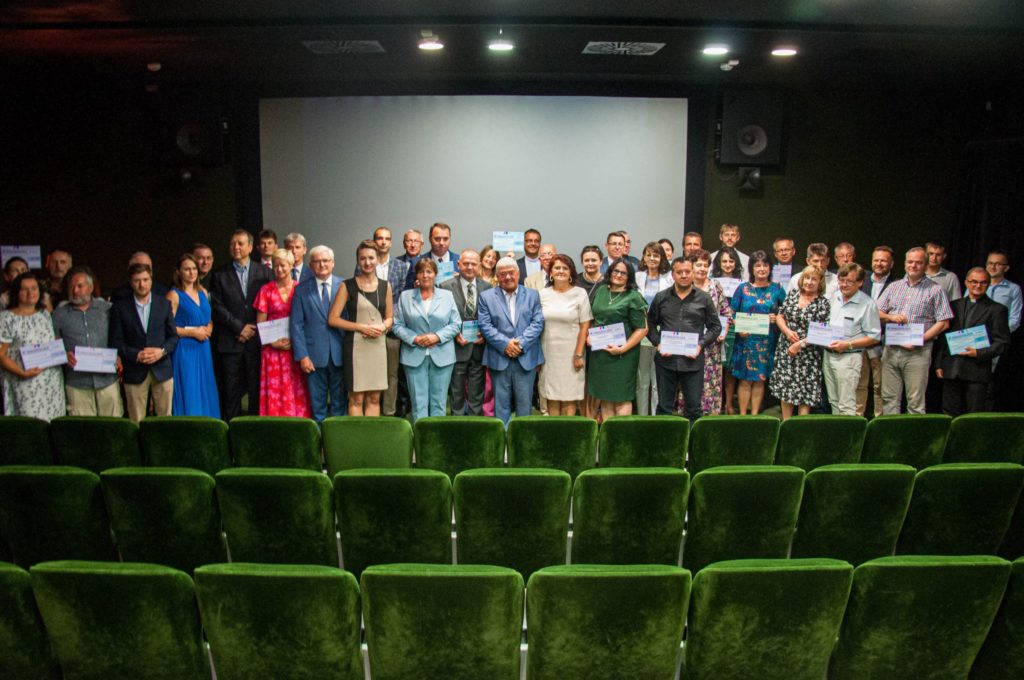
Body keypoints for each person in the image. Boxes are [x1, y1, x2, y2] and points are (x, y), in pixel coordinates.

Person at [877, 247, 953, 414]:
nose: (913, 266)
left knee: (915, 402)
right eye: (910, 262)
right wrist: (891, 317)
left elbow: (944, 322)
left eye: (918, 263)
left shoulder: (935, 289)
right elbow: (876, 312)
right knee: (889, 399)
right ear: (905, 264)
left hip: (918, 352)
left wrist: (919, 339)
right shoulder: (894, 287)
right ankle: (891, 431)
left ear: (926, 265)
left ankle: (914, 432)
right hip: (891, 350)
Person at [648, 257, 721, 423]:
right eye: (679, 272)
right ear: (673, 274)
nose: (683, 275)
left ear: (693, 273)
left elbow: (715, 327)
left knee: (694, 409)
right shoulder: (661, 297)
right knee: (664, 407)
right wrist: (658, 342)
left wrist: (701, 345)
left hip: (692, 361)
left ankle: (692, 440)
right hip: (666, 361)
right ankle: (665, 439)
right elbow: (650, 324)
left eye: (687, 271)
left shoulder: (704, 298)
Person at [210, 229, 273, 420]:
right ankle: (232, 430)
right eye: (232, 244)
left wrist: (253, 327)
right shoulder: (219, 274)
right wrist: (239, 327)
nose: (236, 247)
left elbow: (270, 304)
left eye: (240, 243)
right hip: (231, 341)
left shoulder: (265, 272)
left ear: (250, 247)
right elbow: (217, 307)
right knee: (231, 391)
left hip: (256, 341)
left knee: (256, 390)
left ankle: (253, 429)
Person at [478, 257, 545, 426]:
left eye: (511, 273)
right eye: (502, 274)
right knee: (501, 406)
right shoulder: (486, 297)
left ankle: (522, 438)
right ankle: (503, 438)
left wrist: (520, 344)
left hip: (526, 357)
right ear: (497, 276)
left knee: (525, 405)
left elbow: (537, 323)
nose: (507, 277)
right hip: (499, 357)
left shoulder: (532, 295)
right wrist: (506, 344)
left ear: (518, 273)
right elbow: (485, 325)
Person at [329, 240, 393, 416]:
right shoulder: (347, 286)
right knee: (356, 399)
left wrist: (383, 326)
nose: (367, 262)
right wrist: (361, 327)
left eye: (371, 258)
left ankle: (371, 434)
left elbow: (390, 317)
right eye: (363, 258)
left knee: (374, 398)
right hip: (355, 347)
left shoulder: (385, 286)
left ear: (377, 259)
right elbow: (333, 319)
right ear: (357, 260)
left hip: (378, 346)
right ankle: (356, 434)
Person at [392, 259, 462, 422]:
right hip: (413, 355)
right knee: (418, 404)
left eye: (429, 271)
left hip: (442, 356)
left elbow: (456, 324)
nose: (425, 275)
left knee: (439, 404)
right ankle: (420, 437)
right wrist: (414, 338)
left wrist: (436, 337)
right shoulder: (406, 297)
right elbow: (397, 325)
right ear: (416, 275)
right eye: (421, 272)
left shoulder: (447, 296)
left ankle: (437, 436)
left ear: (435, 274)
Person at [935, 267, 1010, 416]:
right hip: (951, 368)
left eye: (983, 282)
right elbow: (944, 337)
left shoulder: (997, 309)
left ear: (988, 284)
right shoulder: (953, 305)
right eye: (974, 282)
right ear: (966, 283)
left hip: (977, 370)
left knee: (974, 416)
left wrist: (979, 353)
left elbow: (1002, 343)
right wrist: (939, 363)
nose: (978, 285)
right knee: (949, 413)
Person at [51, 266, 123, 417]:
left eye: (79, 286)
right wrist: (64, 354)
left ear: (90, 288)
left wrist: (119, 356)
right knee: (83, 428)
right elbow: (52, 344)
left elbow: (120, 336)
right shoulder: (59, 315)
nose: (75, 291)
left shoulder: (108, 309)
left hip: (107, 380)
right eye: (71, 287)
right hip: (77, 383)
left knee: (113, 426)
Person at [110, 263, 178, 422]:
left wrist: (161, 351)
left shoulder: (163, 304)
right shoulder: (120, 307)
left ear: (151, 280)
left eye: (146, 280)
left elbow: (173, 337)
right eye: (137, 280)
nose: (142, 284)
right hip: (134, 370)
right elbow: (116, 341)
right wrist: (136, 355)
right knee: (136, 420)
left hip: (162, 368)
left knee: (165, 420)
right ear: (130, 282)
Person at [291, 245, 346, 424]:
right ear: (310, 265)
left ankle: (337, 438)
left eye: (325, 261)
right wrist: (302, 356)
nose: (322, 265)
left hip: (340, 353)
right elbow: (296, 325)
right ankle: (319, 439)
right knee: (317, 406)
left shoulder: (344, 286)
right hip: (313, 356)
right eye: (317, 261)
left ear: (333, 263)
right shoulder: (301, 290)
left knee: (339, 403)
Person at [587, 257, 648, 418]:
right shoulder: (601, 291)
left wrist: (622, 349)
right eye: (616, 271)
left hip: (623, 356)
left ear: (629, 276)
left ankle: (621, 432)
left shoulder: (634, 297)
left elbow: (642, 329)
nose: (619, 275)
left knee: (621, 398)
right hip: (600, 353)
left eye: (624, 273)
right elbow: (595, 318)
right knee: (606, 396)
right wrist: (589, 336)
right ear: (610, 271)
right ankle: (608, 432)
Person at [0, 272, 65, 420]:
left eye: (34, 288)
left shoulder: (45, 315)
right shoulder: (6, 318)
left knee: (53, 424)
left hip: (51, 381)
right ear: (16, 292)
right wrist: (21, 373)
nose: (30, 293)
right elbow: (1, 354)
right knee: (30, 426)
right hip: (24, 382)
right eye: (25, 289)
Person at [253, 249, 311, 417]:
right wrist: (273, 343)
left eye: (283, 265)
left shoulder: (300, 289)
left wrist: (297, 342)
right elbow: (260, 323)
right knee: (275, 389)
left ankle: (299, 424)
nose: (279, 269)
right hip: (272, 350)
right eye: (275, 266)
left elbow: (307, 320)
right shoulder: (266, 290)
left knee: (297, 388)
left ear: (291, 265)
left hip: (295, 349)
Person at [770, 265, 831, 419]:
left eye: (814, 279)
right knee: (786, 390)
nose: (809, 282)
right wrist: (787, 332)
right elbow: (780, 316)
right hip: (786, 349)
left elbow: (822, 332)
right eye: (807, 278)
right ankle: (786, 423)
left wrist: (799, 344)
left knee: (805, 393)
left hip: (808, 354)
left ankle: (800, 427)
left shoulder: (822, 303)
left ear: (820, 282)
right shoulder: (792, 295)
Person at [729, 250, 786, 415]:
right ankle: (742, 415)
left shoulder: (777, 289)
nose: (762, 269)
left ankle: (754, 415)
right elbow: (732, 313)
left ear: (770, 268)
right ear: (752, 269)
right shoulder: (742, 289)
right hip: (745, 341)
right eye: (757, 266)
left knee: (760, 379)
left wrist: (777, 317)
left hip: (767, 342)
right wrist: (739, 328)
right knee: (745, 380)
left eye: (765, 265)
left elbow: (786, 312)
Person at [822, 263, 881, 416]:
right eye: (841, 280)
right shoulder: (833, 297)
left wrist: (848, 344)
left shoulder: (867, 304)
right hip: (828, 355)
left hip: (849, 357)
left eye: (849, 281)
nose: (844, 284)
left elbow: (874, 337)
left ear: (860, 282)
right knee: (833, 401)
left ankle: (848, 432)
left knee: (846, 405)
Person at [538, 254, 593, 416]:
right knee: (552, 396)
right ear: (550, 272)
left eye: (565, 268)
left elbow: (585, 326)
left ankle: (568, 430)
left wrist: (578, 354)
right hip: (549, 353)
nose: (561, 271)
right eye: (557, 268)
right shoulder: (542, 294)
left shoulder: (580, 293)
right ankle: (554, 430)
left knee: (570, 397)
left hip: (572, 353)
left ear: (571, 273)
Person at [166, 253, 219, 418]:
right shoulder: (174, 295)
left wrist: (210, 327)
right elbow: (167, 328)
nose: (191, 273)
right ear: (178, 272)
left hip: (203, 348)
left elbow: (209, 318)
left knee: (205, 389)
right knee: (190, 390)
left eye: (194, 269)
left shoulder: (202, 291)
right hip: (185, 349)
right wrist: (193, 332)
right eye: (187, 269)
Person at [367, 226, 411, 417]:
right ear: (374, 241)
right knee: (372, 372)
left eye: (386, 239)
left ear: (391, 242)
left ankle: (389, 412)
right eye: (379, 238)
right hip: (369, 328)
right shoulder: (365, 265)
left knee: (392, 374)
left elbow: (401, 297)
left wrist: (388, 318)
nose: (383, 242)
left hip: (392, 329)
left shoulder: (401, 267)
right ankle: (373, 411)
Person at [441, 249, 491, 416]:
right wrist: (455, 334)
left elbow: (491, 316)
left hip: (479, 347)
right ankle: (458, 422)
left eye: (473, 264)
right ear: (459, 264)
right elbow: (442, 317)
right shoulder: (446, 287)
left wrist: (485, 335)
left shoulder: (488, 288)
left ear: (479, 266)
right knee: (456, 392)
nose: (470, 267)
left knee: (477, 392)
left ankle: (474, 422)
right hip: (457, 347)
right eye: (466, 263)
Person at [685, 249, 732, 416]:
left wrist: (723, 332)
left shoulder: (715, 286)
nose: (702, 268)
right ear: (691, 266)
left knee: (711, 380)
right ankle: (689, 413)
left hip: (712, 343)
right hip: (690, 342)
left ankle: (709, 413)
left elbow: (726, 312)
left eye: (705, 265)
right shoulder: (685, 285)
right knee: (690, 377)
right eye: (698, 265)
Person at [857, 246, 896, 417]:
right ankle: (857, 419)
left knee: (881, 385)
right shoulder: (861, 281)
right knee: (860, 383)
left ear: (891, 264)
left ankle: (879, 419)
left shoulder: (897, 284)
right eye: (876, 260)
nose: (879, 263)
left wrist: (885, 317)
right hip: (860, 340)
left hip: (883, 342)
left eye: (883, 261)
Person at [635, 241, 673, 415]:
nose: (652, 258)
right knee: (642, 380)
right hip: (640, 331)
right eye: (648, 255)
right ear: (643, 257)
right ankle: (642, 416)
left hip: (661, 332)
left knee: (658, 380)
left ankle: (655, 417)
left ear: (662, 258)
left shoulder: (669, 279)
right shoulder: (637, 277)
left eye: (656, 255)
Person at [712, 246, 744, 413]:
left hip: (734, 327)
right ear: (718, 262)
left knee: (730, 368)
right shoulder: (711, 281)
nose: (728, 264)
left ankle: (729, 404)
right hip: (714, 327)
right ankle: (716, 402)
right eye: (724, 261)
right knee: (716, 367)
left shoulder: (742, 283)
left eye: (731, 261)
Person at [986, 250, 1022, 334]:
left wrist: (998, 333)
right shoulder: (975, 285)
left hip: (998, 337)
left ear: (1006, 268)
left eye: (998, 264)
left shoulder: (1014, 289)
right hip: (974, 336)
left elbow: (1015, 319)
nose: (993, 267)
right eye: (990, 263)